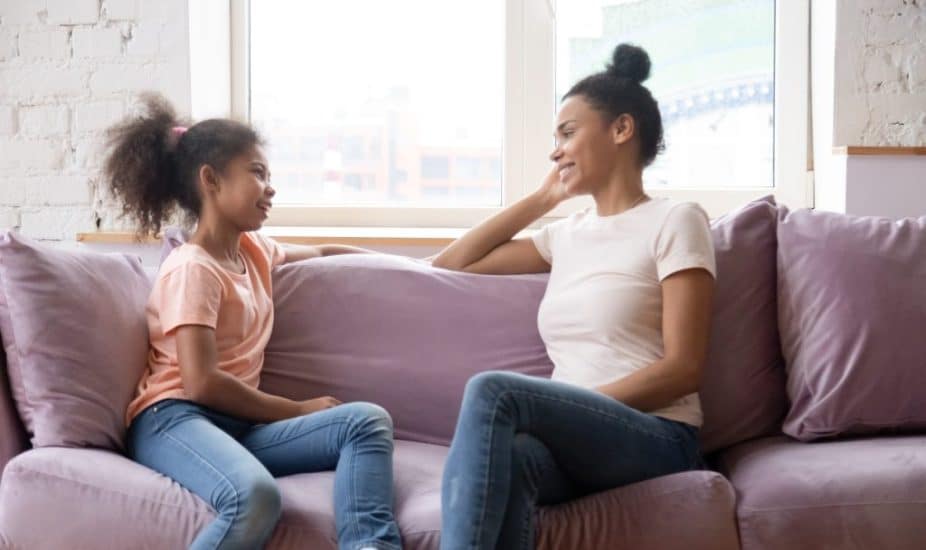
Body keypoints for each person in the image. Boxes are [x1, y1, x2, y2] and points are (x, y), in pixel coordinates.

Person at [432, 44, 716, 550]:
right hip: (575, 436)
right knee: (514, 458)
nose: (555, 150)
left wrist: (571, 407)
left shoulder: (676, 220)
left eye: (567, 133)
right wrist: (544, 199)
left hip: (656, 435)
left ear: (621, 130)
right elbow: (454, 263)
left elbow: (683, 369)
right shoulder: (567, 235)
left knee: (494, 391)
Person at [104, 93, 402, 550]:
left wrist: (407, 267)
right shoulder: (193, 268)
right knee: (255, 496)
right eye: (258, 173)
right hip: (174, 418)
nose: (271, 187)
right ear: (211, 181)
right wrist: (297, 409)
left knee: (364, 422)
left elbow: (323, 253)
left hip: (238, 425)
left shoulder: (253, 251)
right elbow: (201, 383)